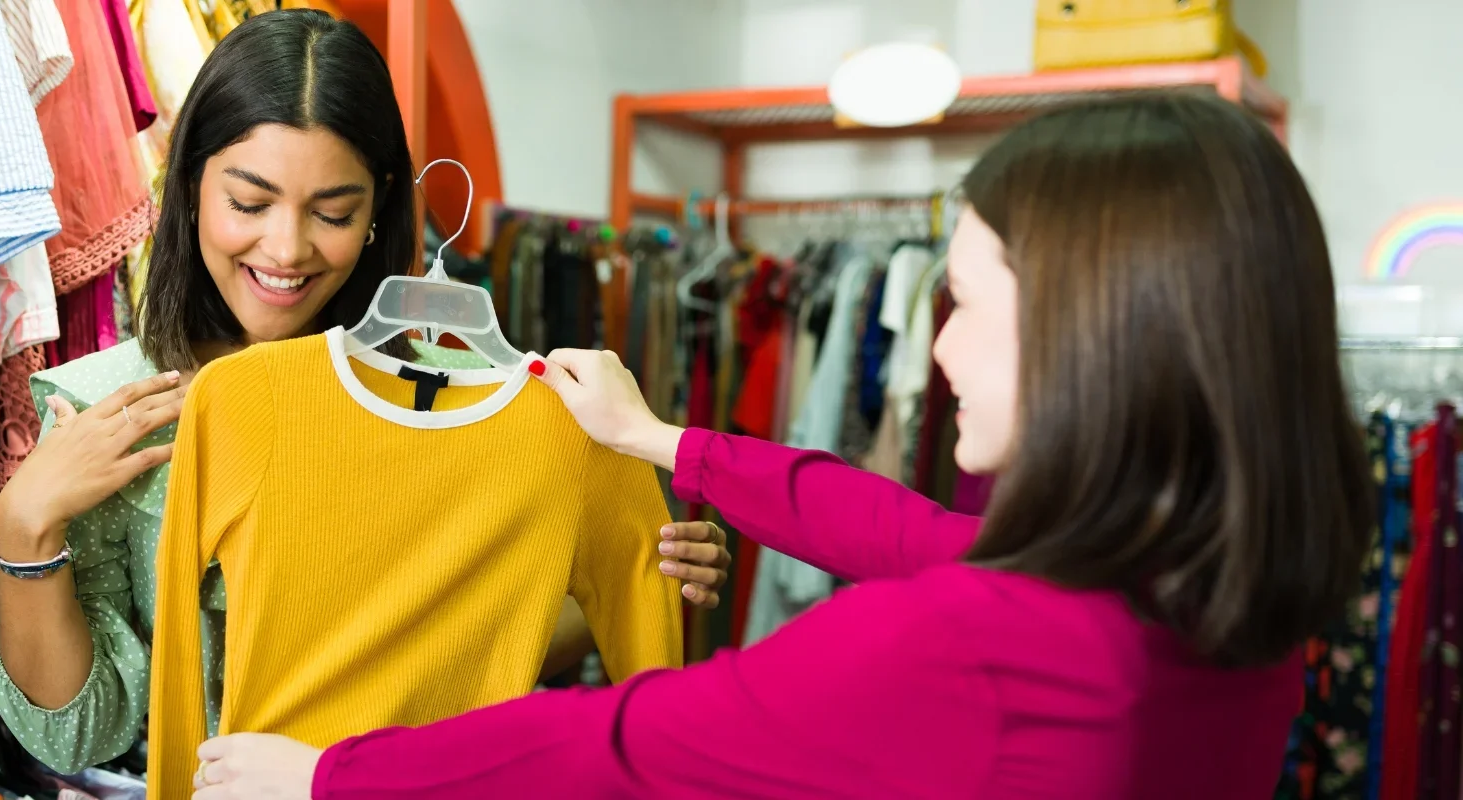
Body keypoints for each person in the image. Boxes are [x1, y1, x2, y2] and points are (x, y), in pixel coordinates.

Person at [189, 93, 1372, 799]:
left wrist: (330, 776)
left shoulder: (968, 646)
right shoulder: (1210, 603)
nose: (939, 354)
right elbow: (905, 529)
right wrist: (661, 436)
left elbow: (625, 744)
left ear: (1094, 328)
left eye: (964, 302)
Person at [0, 9, 731, 775]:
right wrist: (24, 528)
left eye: (333, 213)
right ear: (189, 185)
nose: (286, 248)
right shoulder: (107, 411)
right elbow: (78, 736)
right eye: (249, 203)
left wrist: (635, 573)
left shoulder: (471, 412)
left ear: (377, 214)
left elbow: (480, 649)